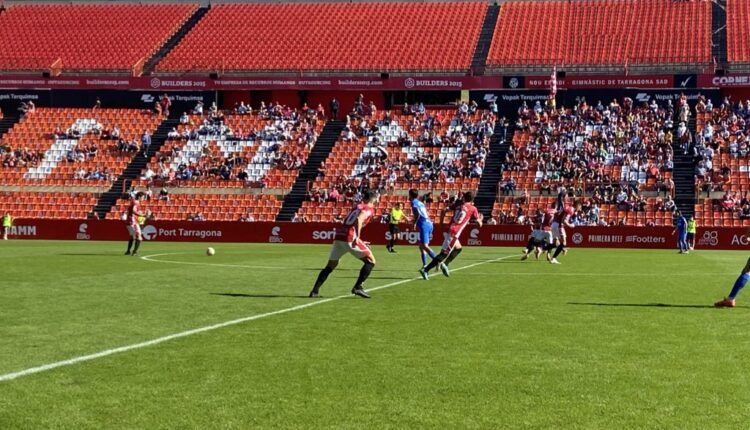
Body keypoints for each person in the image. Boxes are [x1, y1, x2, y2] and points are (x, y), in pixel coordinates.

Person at [309, 190, 380, 299]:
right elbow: (359, 220)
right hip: (350, 237)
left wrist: (359, 240)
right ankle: (358, 287)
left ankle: (314, 291)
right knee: (371, 261)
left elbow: (350, 221)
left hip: (340, 236)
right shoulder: (368, 209)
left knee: (330, 266)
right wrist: (357, 237)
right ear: (373, 200)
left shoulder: (357, 207)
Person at [419, 191, 482, 280]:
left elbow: (444, 210)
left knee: (458, 248)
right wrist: (480, 220)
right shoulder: (473, 208)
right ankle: (426, 270)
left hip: (449, 228)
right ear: (472, 199)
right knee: (444, 254)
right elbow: (479, 224)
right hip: (454, 232)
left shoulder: (459, 205)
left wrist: (441, 222)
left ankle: (445, 264)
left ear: (465, 198)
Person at [410, 188, 439, 270]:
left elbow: (418, 215)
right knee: (421, 246)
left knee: (424, 246)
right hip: (429, 223)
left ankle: (438, 261)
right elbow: (425, 213)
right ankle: (425, 265)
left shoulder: (414, 203)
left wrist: (414, 223)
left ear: (410, 195)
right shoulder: (420, 203)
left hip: (424, 224)